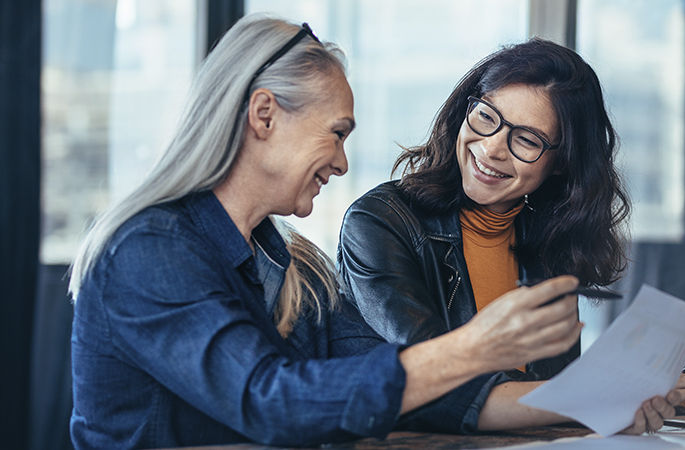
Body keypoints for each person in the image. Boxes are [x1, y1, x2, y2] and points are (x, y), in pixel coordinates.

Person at [67, 16, 589, 448]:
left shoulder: (297, 269)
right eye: (337, 134)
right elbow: (269, 401)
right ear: (264, 116)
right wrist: (470, 348)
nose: (342, 163)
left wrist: (598, 403)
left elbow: (413, 391)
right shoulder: (148, 250)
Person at [338, 38, 685, 432]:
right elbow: (434, 383)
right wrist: (607, 397)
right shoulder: (381, 221)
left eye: (526, 139)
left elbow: (558, 399)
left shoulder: (549, 243)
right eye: (486, 116)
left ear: (560, 163)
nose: (491, 148)